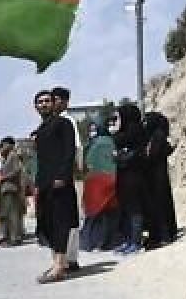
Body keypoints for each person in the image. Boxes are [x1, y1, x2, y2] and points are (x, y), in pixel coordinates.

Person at [32, 91, 78, 283]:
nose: (44, 104)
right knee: (47, 223)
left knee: (60, 223)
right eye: (40, 102)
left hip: (59, 182)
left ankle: (60, 265)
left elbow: (69, 151)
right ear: (35, 107)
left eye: (47, 101)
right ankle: (57, 263)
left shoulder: (63, 123)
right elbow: (41, 161)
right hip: (44, 184)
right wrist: (37, 184)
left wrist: (62, 176)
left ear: (54, 103)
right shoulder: (40, 130)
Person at [49, 86, 82, 271]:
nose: (54, 103)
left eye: (57, 99)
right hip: (55, 176)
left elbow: (76, 149)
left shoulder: (68, 121)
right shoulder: (52, 121)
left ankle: (70, 258)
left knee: (69, 217)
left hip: (65, 176)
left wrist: (72, 172)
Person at [112, 104, 148, 254]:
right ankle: (128, 240)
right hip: (124, 176)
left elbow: (135, 155)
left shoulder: (135, 132)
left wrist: (121, 156)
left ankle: (135, 242)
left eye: (119, 117)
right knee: (126, 209)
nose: (117, 121)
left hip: (134, 177)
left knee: (134, 209)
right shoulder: (124, 133)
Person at [79, 123, 120, 252]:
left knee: (93, 216)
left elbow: (84, 165)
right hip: (112, 180)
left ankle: (90, 242)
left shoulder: (91, 145)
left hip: (94, 183)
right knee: (110, 214)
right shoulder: (114, 142)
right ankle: (109, 242)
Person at [143, 111, 178, 248]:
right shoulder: (154, 135)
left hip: (158, 177)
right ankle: (165, 233)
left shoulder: (158, 136)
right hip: (156, 176)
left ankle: (164, 236)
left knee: (160, 206)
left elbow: (154, 155)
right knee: (161, 206)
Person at [0, 138, 24, 246]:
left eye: (3, 145)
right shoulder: (5, 159)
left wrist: (4, 177)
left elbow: (17, 170)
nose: (1, 148)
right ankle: (10, 237)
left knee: (12, 215)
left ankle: (15, 238)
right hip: (5, 190)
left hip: (11, 189)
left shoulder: (13, 155)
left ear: (9, 145)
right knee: (7, 214)